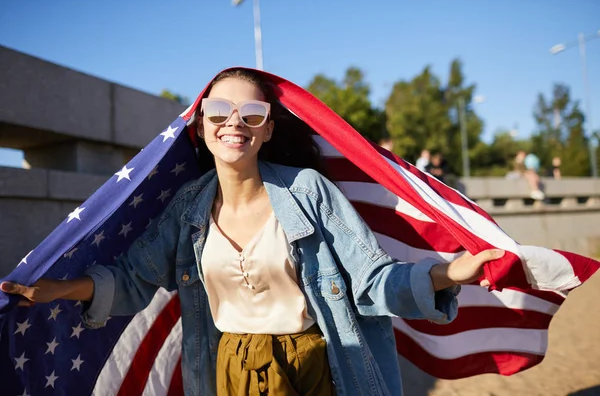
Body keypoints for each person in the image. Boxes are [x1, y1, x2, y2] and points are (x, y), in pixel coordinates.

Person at [0, 68, 504, 396]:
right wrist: (60, 289)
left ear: (267, 129)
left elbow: (371, 281)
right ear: (200, 127)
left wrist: (449, 271)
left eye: (252, 114)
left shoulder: (310, 190)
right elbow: (133, 278)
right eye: (219, 113)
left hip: (316, 365)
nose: (233, 124)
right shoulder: (187, 208)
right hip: (232, 368)